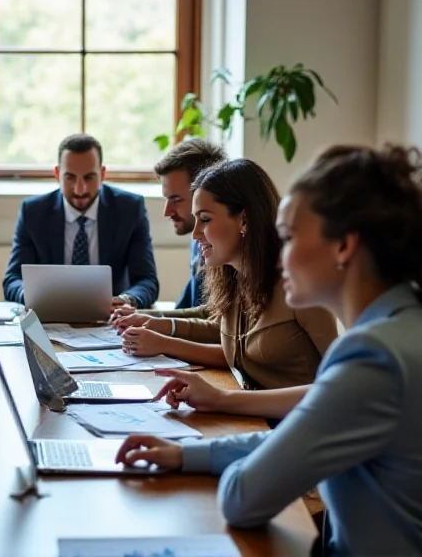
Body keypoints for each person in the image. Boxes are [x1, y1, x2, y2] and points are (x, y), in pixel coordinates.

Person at [115, 144, 422, 556]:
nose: (281, 255)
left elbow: (242, 497)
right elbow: (307, 431)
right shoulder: (399, 328)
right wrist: (190, 454)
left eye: (290, 236)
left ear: (344, 247)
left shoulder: (372, 356)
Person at [115, 159, 337, 390]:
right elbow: (230, 344)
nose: (195, 234)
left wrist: (166, 342)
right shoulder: (235, 277)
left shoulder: (299, 283)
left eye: (206, 219)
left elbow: (341, 384)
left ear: (244, 219)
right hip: (252, 416)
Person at [2, 133, 159, 310]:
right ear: (57, 174)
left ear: (103, 173)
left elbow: (147, 281)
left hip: (112, 321)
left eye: (89, 177)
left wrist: (126, 300)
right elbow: (12, 279)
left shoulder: (129, 210)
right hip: (51, 318)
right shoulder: (33, 213)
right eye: (70, 177)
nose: (79, 189)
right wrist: (31, 296)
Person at [112, 140, 226, 321]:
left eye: (176, 199)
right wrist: (139, 316)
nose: (167, 211)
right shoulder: (197, 241)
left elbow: (215, 324)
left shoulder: (227, 248)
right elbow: (191, 309)